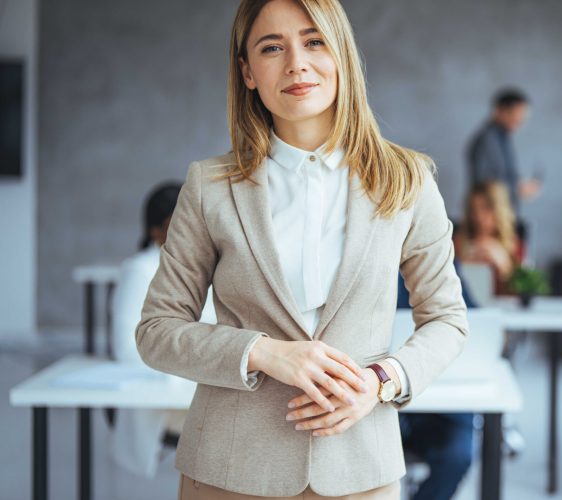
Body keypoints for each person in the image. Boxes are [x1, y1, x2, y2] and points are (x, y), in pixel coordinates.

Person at [135, 1, 468, 498]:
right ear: (247, 71)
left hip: (360, 467)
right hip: (228, 469)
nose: (296, 63)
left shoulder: (407, 180)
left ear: (342, 55)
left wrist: (382, 380)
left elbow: (447, 319)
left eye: (314, 41)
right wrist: (263, 352)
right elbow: (157, 331)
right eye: (272, 47)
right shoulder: (209, 187)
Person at [109, 182, 216, 477]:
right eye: (179, 223)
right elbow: (128, 349)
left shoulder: (207, 265)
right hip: (171, 395)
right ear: (156, 230)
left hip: (204, 385)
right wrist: (202, 357)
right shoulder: (140, 270)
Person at [396, 263, 476, 500]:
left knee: (457, 455)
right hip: (375, 395)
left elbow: (472, 316)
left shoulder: (437, 256)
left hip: (439, 402)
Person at [466, 88, 541, 218]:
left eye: (522, 117)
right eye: (515, 115)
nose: (519, 121)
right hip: (491, 217)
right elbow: (484, 185)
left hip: (502, 214)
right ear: (499, 111)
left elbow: (502, 175)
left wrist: (518, 185)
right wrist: (518, 189)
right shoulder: (487, 140)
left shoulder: (502, 137)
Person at [454, 181, 523, 295]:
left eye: (486, 208)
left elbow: (523, 293)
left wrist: (504, 265)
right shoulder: (456, 243)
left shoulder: (516, 246)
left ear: (499, 210)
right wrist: (463, 265)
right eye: (474, 210)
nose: (479, 216)